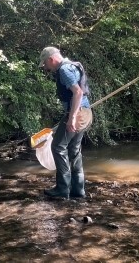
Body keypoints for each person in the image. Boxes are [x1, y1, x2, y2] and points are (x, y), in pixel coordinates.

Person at [39, 46, 93, 200]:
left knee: (58, 146)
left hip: (77, 113)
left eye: (45, 64)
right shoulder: (74, 65)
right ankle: (78, 190)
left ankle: (62, 189)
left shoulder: (64, 70)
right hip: (86, 112)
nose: (46, 68)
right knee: (74, 149)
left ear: (51, 59)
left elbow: (77, 92)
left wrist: (72, 117)